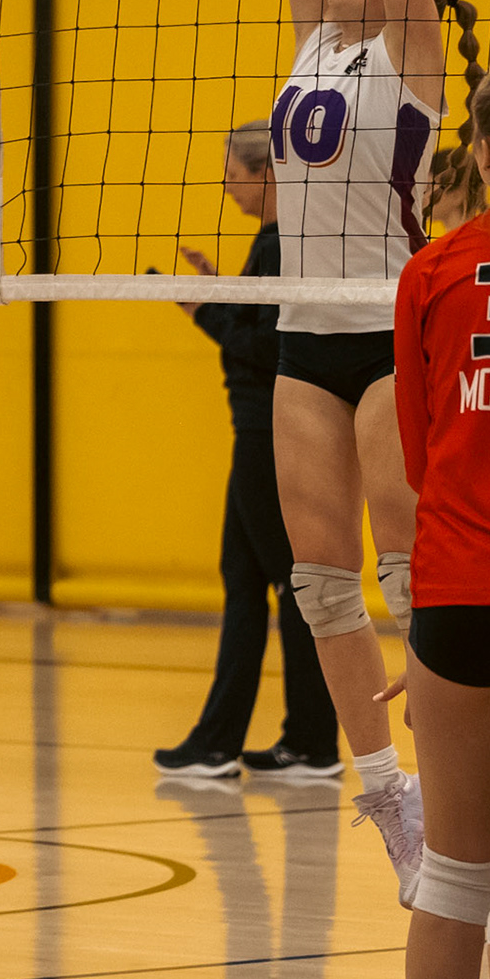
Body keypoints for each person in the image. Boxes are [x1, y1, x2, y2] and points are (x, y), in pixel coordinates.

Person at [274, 0, 485, 904]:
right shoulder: (312, 35)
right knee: (319, 584)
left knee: (408, 578)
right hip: (303, 332)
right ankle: (388, 793)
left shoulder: (408, 58)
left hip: (385, 331)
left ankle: (460, 779)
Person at [153, 121, 340, 780]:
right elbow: (264, 325)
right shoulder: (276, 241)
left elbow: (269, 347)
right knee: (245, 581)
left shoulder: (284, 241)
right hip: (260, 429)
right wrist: (221, 291)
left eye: (233, 174)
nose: (227, 186)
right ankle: (231, 741)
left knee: (294, 584)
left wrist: (202, 309)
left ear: (266, 173)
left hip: (269, 434)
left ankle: (307, 741)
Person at [391, 61, 490, 979]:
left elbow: (419, 452)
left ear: (482, 152)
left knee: (456, 876)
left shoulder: (431, 272)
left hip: (463, 591)